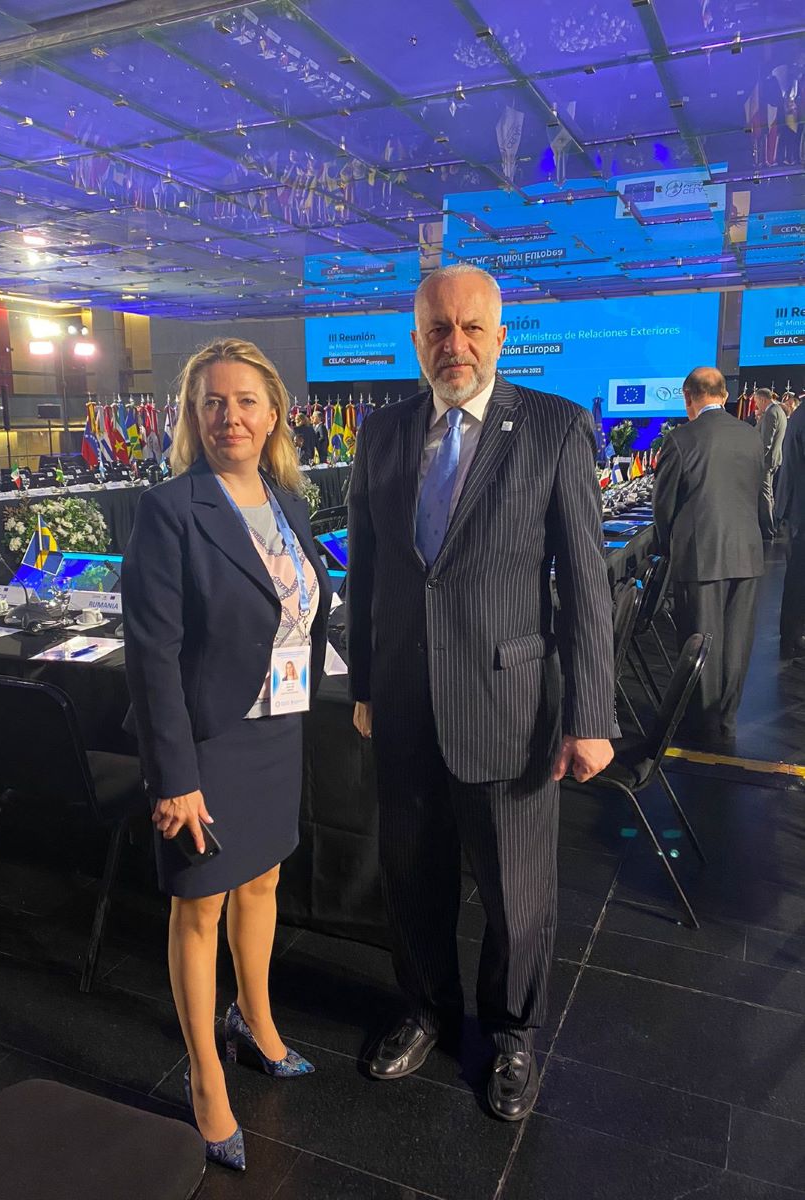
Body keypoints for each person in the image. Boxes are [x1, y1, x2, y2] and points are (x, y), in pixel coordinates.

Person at [346, 264, 615, 1122]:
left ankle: (511, 1034)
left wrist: (591, 716)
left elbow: (586, 586)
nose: (453, 345)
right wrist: (364, 683)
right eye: (437, 329)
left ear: (501, 336)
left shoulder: (553, 428)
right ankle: (427, 1008)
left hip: (509, 706)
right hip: (403, 703)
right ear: (415, 340)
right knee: (410, 875)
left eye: (470, 328)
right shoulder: (381, 432)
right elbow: (366, 569)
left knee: (517, 895)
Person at [122, 338, 332, 1172]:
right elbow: (152, 654)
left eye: (245, 401)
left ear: (274, 413)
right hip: (207, 741)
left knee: (264, 880)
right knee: (200, 905)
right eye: (212, 402)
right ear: (192, 415)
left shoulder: (288, 502)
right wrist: (174, 777)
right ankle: (206, 1075)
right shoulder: (170, 509)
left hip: (276, 727)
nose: (229, 417)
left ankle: (256, 1019)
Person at [653, 367, 764, 747]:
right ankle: (726, 719)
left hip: (700, 555)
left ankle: (702, 725)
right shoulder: (750, 435)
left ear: (688, 396)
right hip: (747, 553)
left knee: (700, 640)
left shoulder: (681, 438)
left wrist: (665, 546)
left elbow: (663, 504)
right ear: (724, 395)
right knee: (736, 643)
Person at [775, 392, 805, 661]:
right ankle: (791, 639)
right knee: (797, 580)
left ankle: (793, 637)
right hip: (800, 513)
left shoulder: (799, 415)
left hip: (796, 510)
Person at [753, 386, 788, 540]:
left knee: (765, 496)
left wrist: (757, 459)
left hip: (766, 461)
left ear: (762, 399)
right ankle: (772, 527)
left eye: (756, 402)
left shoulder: (771, 413)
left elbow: (766, 442)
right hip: (774, 459)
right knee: (769, 495)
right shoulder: (779, 411)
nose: (756, 406)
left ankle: (768, 530)